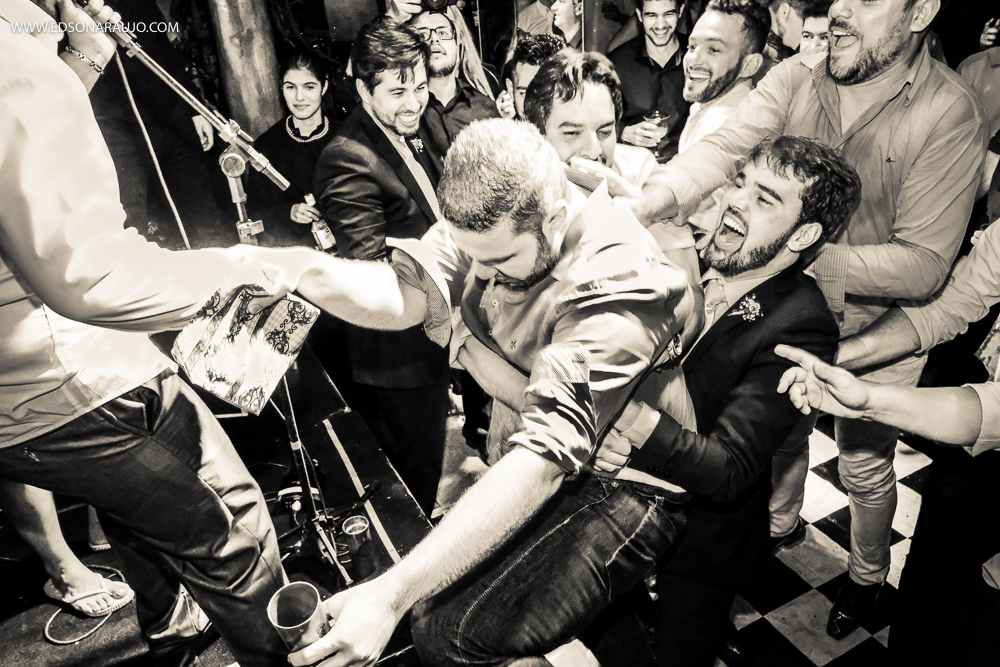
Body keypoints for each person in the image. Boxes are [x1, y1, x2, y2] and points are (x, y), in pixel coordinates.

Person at [627, 0, 988, 641]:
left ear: (922, 11)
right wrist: (651, 198)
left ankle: (867, 578)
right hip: (779, 309)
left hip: (880, 330)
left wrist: (789, 257)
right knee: (773, 438)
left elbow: (925, 265)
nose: (842, 8)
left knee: (862, 465)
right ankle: (769, 536)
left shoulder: (949, 111)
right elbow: (726, 148)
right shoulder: (799, 73)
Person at [278, 117, 699, 667]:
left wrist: (389, 594)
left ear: (553, 218)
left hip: (626, 484)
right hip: (548, 446)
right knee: (547, 618)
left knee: (448, 632)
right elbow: (402, 294)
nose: (481, 273)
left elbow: (546, 458)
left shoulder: (618, 276)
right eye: (471, 254)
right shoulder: (495, 220)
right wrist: (291, 269)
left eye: (500, 261)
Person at [0, 1, 294, 665]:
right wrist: (265, 274)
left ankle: (169, 622)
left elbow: (21, 162)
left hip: (54, 372)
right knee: (233, 533)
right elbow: (83, 273)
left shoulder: (21, 38)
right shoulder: (11, 52)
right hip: (63, 377)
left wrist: (85, 52)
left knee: (142, 512)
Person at [774, 341, 1000, 667]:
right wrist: (865, 399)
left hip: (894, 341)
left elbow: (934, 300)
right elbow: (991, 407)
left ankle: (866, 579)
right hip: (970, 430)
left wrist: (868, 401)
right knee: (927, 589)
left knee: (864, 469)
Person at [312, 17, 451, 517]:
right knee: (412, 478)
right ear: (363, 88)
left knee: (429, 461)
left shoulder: (423, 121)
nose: (414, 101)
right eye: (397, 91)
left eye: (419, 85)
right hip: (399, 351)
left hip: (439, 326)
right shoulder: (346, 157)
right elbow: (369, 270)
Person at [246, 52, 338, 249]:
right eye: (290, 87)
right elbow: (255, 209)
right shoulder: (268, 145)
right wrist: (288, 212)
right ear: (282, 88)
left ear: (324, 86)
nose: (299, 97)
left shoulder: (344, 135)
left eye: (309, 87)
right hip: (294, 252)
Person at [609, 0, 691, 163]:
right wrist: (623, 132)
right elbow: (596, 119)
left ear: (680, 11)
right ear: (639, 15)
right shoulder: (618, 63)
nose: (660, 25)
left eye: (668, 14)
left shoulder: (698, 57)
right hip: (633, 169)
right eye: (651, 15)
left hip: (686, 169)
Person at [499, 31, 566, 120]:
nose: (533, 106)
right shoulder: (502, 131)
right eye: (524, 93)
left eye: (546, 93)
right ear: (511, 90)